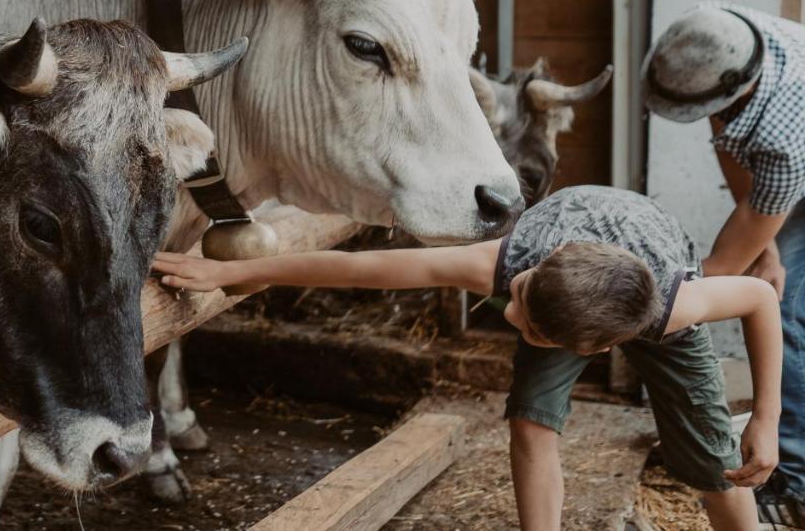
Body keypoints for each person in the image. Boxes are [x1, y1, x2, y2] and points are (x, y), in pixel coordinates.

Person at [154, 185, 781, 531]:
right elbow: (355, 269)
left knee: (711, 462)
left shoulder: (681, 306)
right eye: (520, 298)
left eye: (525, 323)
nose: (507, 314)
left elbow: (759, 299)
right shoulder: (506, 266)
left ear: (592, 351)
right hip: (580, 267)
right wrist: (233, 268)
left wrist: (765, 417)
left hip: (640, 275)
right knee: (532, 421)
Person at [644, 2, 805, 527]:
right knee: (768, 271)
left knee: (787, 313)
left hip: (795, 157)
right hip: (783, 169)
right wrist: (767, 247)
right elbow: (730, 141)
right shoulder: (723, 33)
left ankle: (792, 483)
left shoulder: (782, 142)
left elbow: (714, 279)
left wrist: (641, 309)